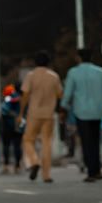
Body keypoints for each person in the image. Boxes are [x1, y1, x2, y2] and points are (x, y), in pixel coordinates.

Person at [62, 48, 102, 182]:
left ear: (78, 58)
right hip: (98, 111)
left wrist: (65, 106)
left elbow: (67, 93)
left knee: (86, 141)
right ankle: (97, 170)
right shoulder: (101, 72)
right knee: (95, 140)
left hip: (81, 111)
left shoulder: (73, 72)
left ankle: (91, 171)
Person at [19, 52, 63, 183]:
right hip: (49, 113)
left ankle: (34, 161)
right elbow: (60, 94)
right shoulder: (54, 76)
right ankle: (46, 175)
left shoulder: (31, 76)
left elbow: (25, 95)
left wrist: (21, 112)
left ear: (35, 62)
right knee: (47, 143)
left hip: (34, 113)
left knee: (28, 139)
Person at [0, 84, 23, 174]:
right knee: (17, 145)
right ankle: (17, 165)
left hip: (7, 126)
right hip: (18, 125)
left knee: (6, 146)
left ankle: (6, 165)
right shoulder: (19, 99)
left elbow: (3, 109)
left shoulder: (7, 99)